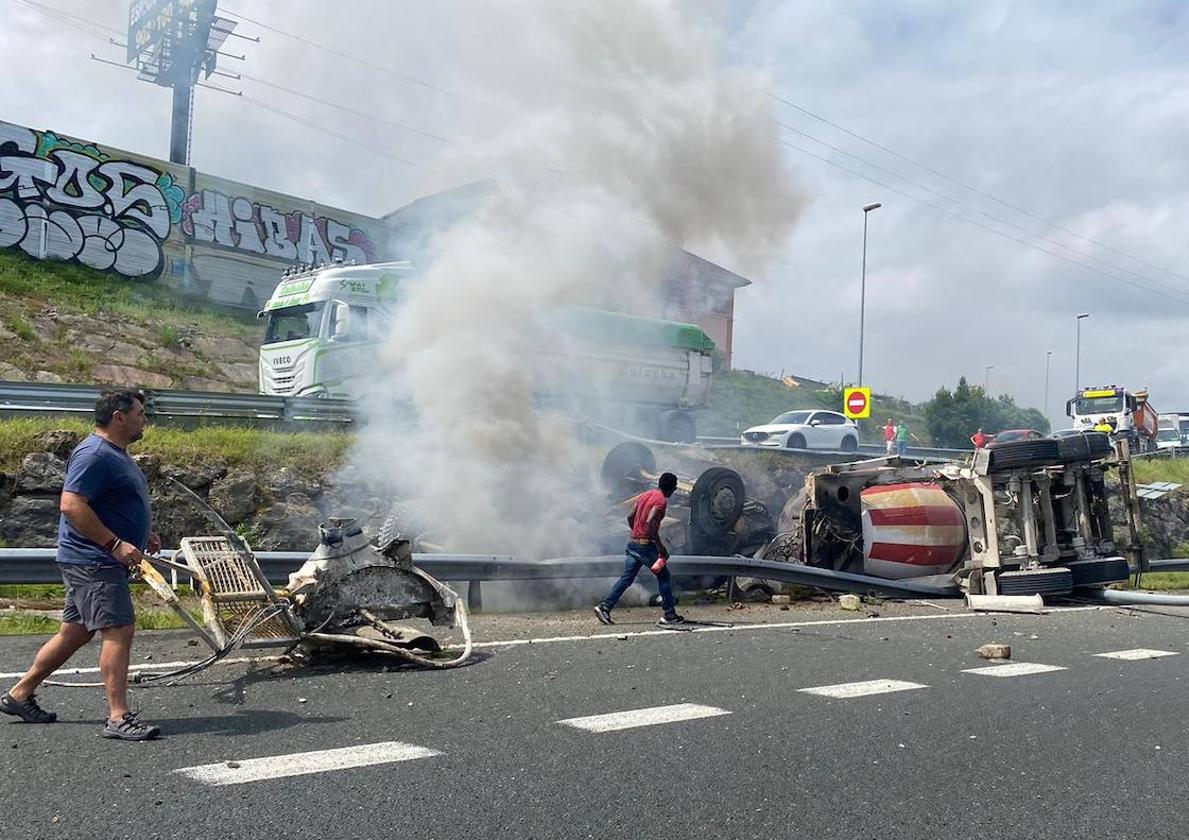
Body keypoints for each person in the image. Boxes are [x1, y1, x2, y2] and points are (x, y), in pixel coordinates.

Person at [0, 390, 162, 741]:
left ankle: (19, 695)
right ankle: (118, 717)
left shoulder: (116, 454)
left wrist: (143, 533)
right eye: (140, 412)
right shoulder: (94, 453)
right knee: (119, 629)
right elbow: (72, 505)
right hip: (94, 560)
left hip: (95, 558)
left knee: (75, 631)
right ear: (119, 416)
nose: (144, 419)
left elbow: (115, 503)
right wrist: (115, 544)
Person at [594, 471, 685, 627]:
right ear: (671, 488)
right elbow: (650, 522)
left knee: (627, 579)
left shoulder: (646, 495)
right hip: (646, 547)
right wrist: (660, 546)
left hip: (633, 544)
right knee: (663, 576)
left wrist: (636, 532)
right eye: (674, 487)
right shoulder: (661, 501)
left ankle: (605, 607)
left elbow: (630, 516)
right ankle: (669, 614)